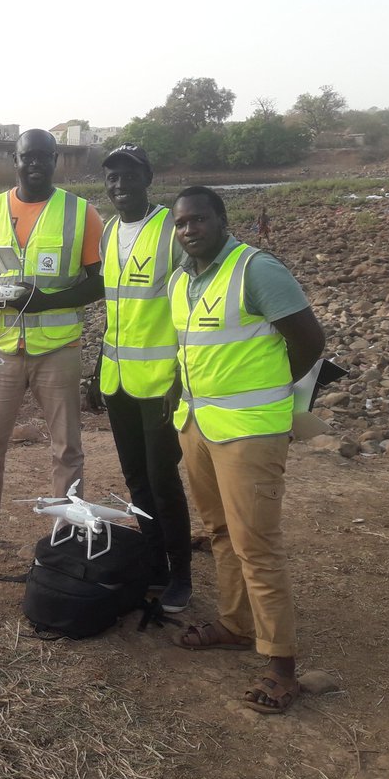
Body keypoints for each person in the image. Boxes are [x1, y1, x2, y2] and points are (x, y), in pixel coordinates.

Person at [167, 186, 325, 715]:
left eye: (198, 219)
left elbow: (310, 341)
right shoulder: (181, 281)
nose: (189, 230)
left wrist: (276, 389)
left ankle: (282, 667)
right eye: (181, 223)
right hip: (198, 426)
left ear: (221, 220)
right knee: (219, 532)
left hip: (251, 432)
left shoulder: (256, 270)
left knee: (257, 545)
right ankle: (235, 625)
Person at [0, 129, 104, 556]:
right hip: (0, 347)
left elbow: (99, 282)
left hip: (58, 349)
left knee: (67, 449)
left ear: (55, 160)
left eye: (43, 156)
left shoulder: (81, 213)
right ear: (14, 160)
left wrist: (47, 301)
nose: (35, 163)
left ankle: (66, 532)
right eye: (27, 156)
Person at [87, 144, 193, 613]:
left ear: (147, 179)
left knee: (162, 479)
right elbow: (116, 310)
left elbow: (192, 303)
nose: (120, 185)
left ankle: (182, 576)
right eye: (112, 177)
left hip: (161, 383)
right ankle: (155, 565)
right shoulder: (109, 232)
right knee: (136, 479)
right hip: (118, 380)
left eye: (129, 176)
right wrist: (97, 369)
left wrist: (182, 377)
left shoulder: (171, 229)